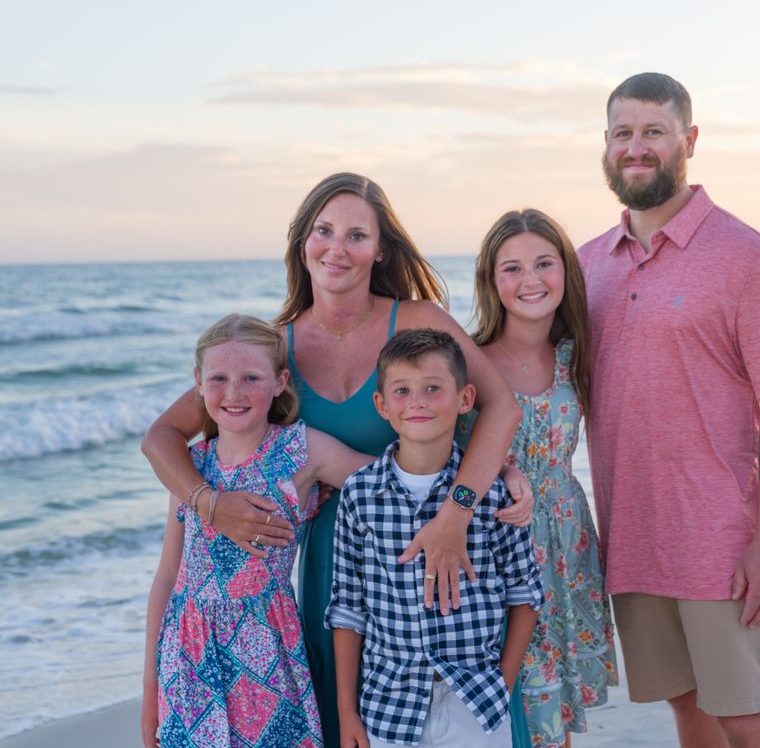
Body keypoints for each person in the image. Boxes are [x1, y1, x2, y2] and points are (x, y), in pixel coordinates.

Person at [141, 172, 531, 747]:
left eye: (356, 234)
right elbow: (161, 437)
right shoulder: (271, 353)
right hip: (334, 568)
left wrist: (461, 507)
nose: (337, 248)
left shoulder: (418, 320)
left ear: (379, 249)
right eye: (324, 231)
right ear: (303, 242)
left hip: (433, 545)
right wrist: (209, 503)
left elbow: (499, 409)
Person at [579, 72, 760, 748]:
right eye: (623, 133)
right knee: (687, 707)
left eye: (654, 131)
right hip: (630, 534)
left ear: (688, 140)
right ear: (605, 146)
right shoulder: (586, 265)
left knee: (746, 714)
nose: (637, 147)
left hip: (718, 537)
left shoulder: (742, 254)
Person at [141, 314, 375, 748]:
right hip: (186, 662)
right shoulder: (190, 467)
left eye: (251, 377)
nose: (234, 393)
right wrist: (150, 691)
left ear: (280, 381)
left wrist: (491, 473)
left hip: (267, 651)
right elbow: (167, 577)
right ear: (197, 382)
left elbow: (394, 484)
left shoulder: (303, 451)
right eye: (218, 378)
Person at [328, 329, 543, 748]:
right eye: (403, 390)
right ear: (382, 405)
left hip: (477, 704)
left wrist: (504, 682)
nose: (418, 401)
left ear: (465, 399)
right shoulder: (359, 495)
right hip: (388, 707)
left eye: (432, 388)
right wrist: (346, 712)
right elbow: (347, 609)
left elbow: (525, 593)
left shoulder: (492, 494)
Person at [472, 209, 619, 748]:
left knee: (550, 708)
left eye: (543, 263)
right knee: (504, 700)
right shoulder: (471, 361)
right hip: (494, 544)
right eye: (511, 268)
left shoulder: (579, 356)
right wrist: (505, 467)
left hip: (564, 540)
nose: (530, 280)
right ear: (491, 280)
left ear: (566, 272)